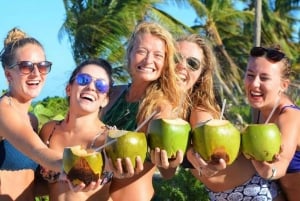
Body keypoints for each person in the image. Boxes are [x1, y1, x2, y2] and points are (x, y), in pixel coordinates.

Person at [155, 35, 286, 200]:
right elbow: (168, 173)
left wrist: (191, 153)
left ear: (201, 73)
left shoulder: (199, 106)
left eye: (193, 63)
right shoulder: (161, 110)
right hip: (220, 196)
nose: (182, 66)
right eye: (176, 58)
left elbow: (205, 128)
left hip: (254, 190)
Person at [0, 27, 98, 201]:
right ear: (9, 75)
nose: (36, 73)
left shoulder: (32, 120)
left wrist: (64, 179)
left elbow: (26, 183)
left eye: (42, 66)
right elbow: (38, 151)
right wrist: (78, 167)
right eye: (26, 67)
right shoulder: (3, 111)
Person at [101, 21, 183, 201]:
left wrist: (170, 162)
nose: (148, 60)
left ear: (165, 63)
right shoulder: (113, 93)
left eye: (158, 55)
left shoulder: (160, 108)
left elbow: (168, 172)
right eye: (141, 52)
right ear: (129, 55)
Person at [39, 58, 114, 201]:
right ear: (69, 89)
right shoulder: (49, 131)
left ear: (105, 100)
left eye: (101, 85)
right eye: (84, 79)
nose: (91, 87)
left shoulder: (110, 139)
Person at [244, 46, 300, 201]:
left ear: (283, 85)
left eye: (264, 78)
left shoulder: (290, 115)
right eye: (250, 75)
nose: (255, 84)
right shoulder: (259, 110)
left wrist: (270, 171)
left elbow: (281, 162)